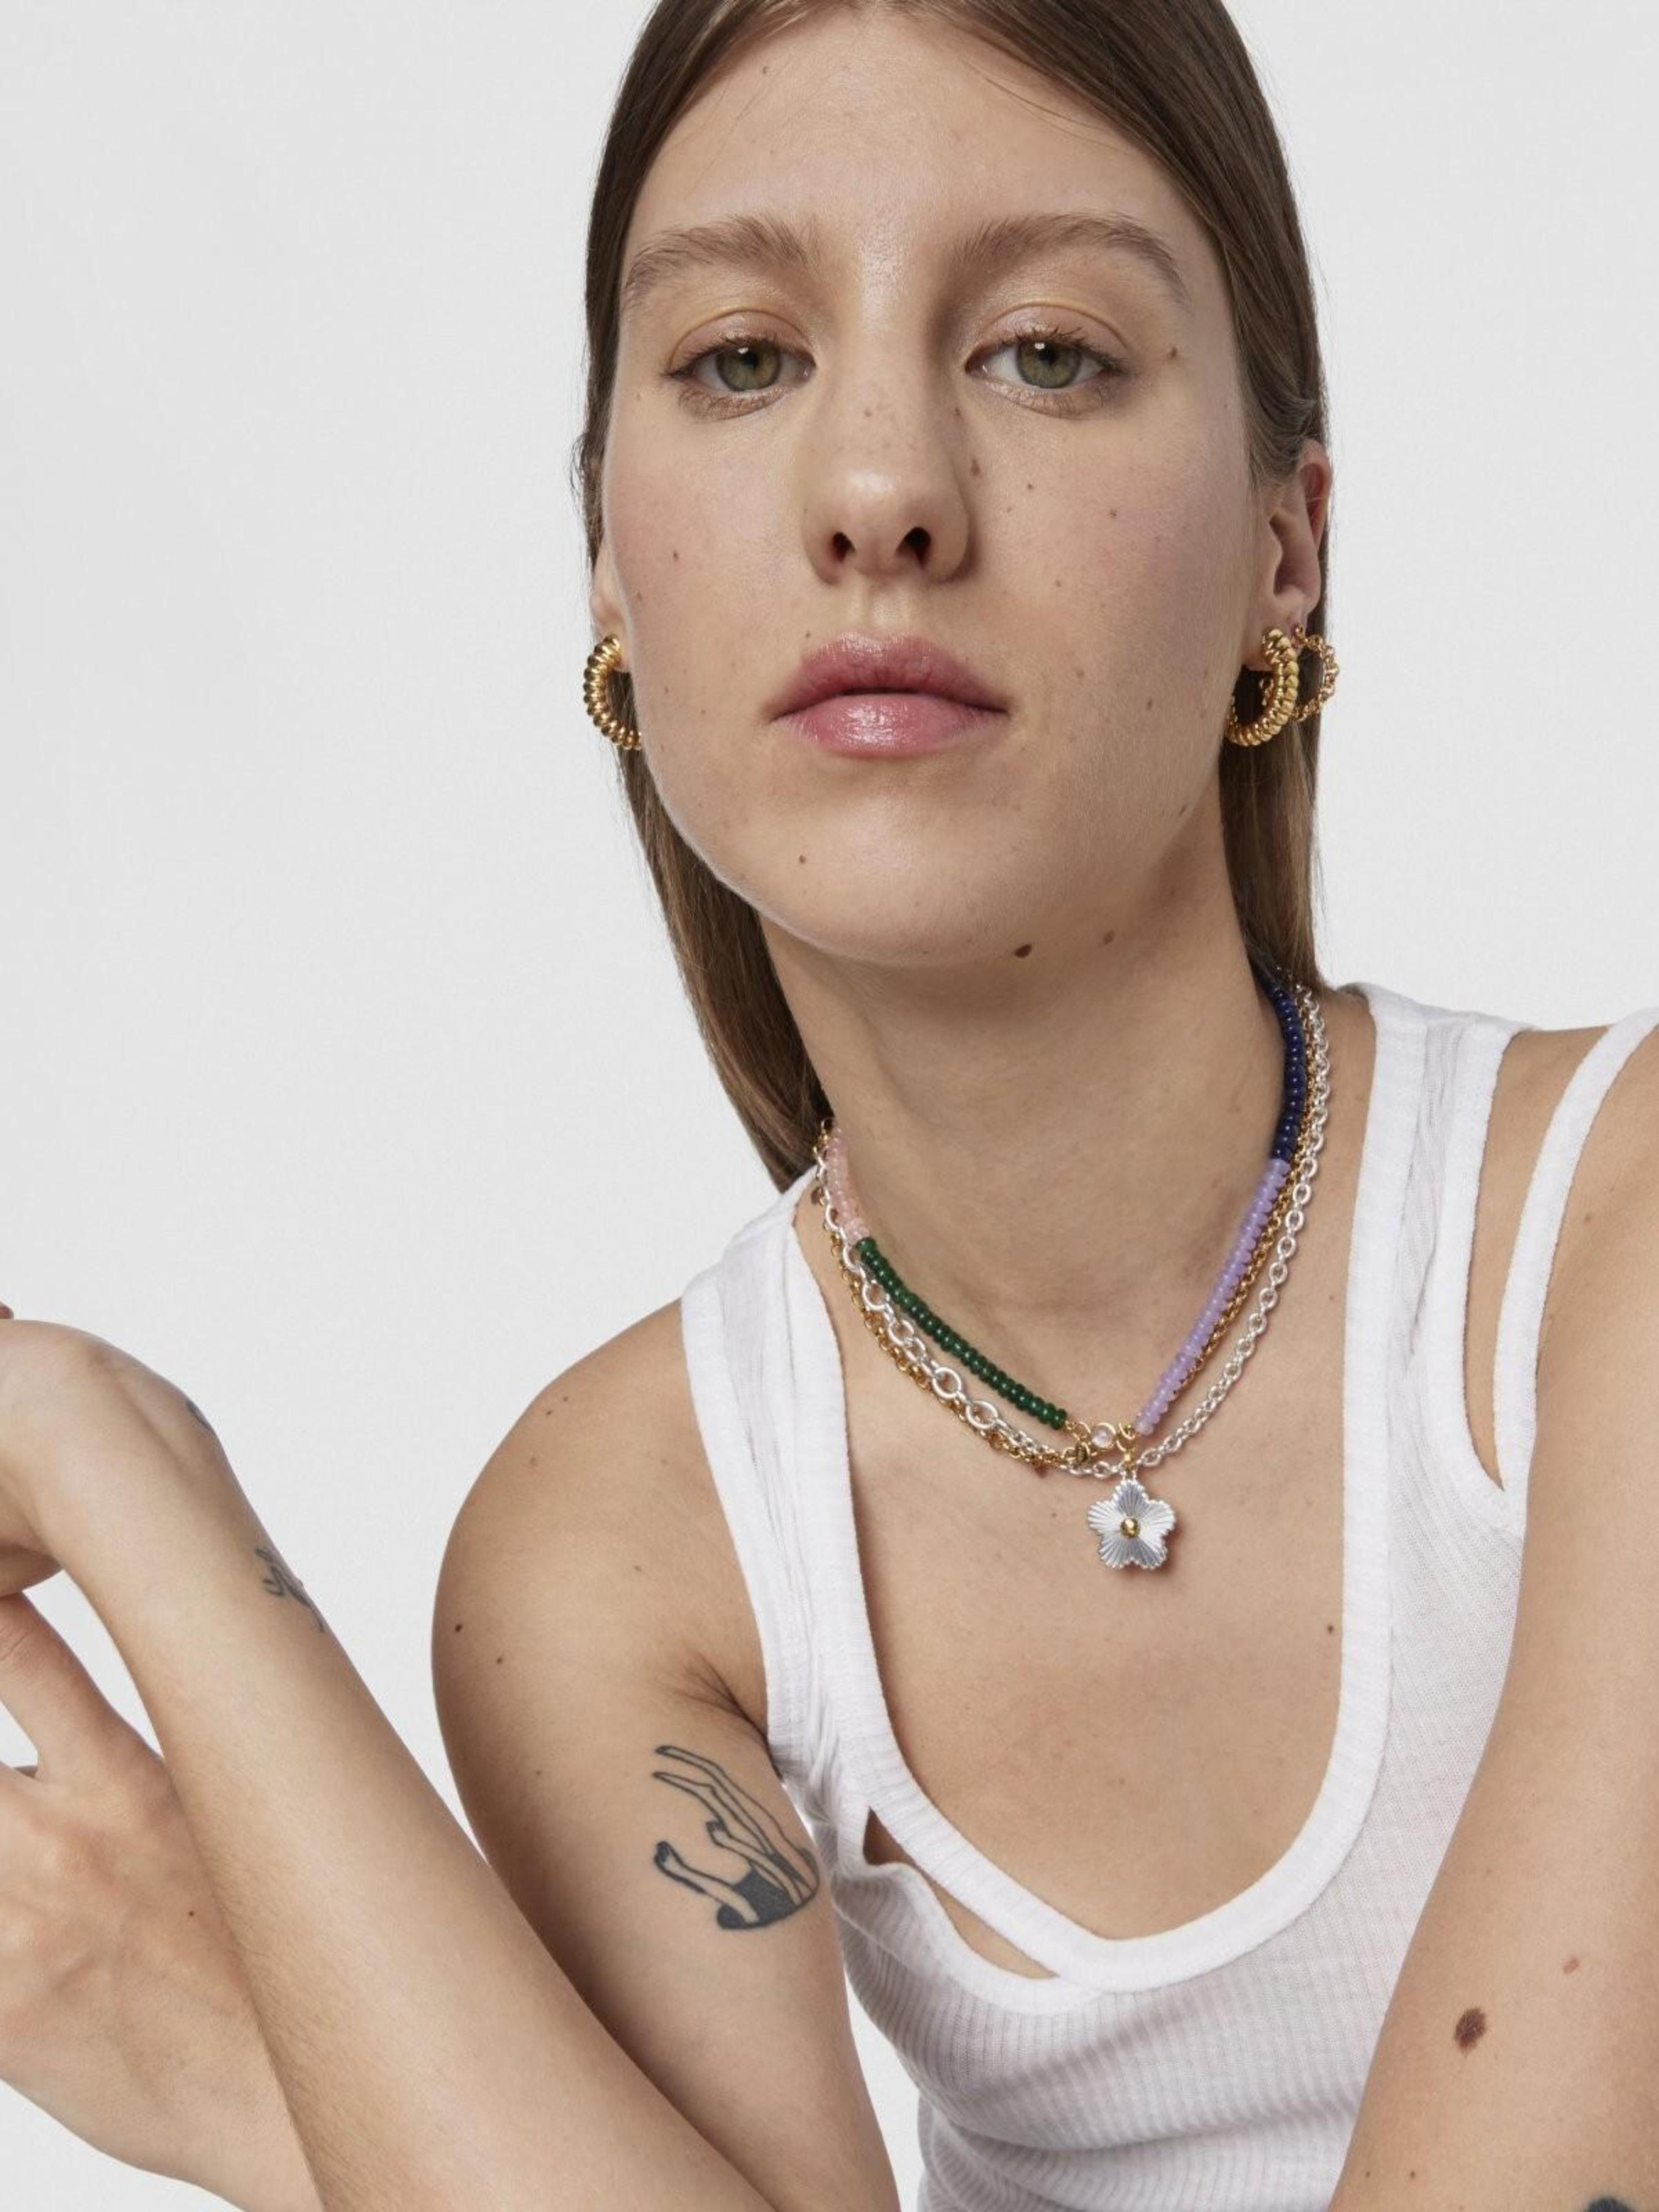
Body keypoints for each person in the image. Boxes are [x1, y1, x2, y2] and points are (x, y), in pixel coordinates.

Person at [2, 2, 1657, 2208]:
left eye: (1048, 352)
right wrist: (130, 1483)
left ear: (1288, 545)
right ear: (610, 562)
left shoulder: (1616, 1238)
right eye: (740, 360)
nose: (881, 493)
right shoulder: (618, 1552)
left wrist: (267, 2080)